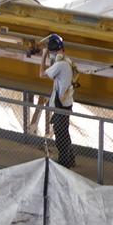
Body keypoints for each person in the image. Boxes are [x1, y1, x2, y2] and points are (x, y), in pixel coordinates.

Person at [41, 33, 77, 167]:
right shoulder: (67, 61)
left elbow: (41, 74)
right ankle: (71, 158)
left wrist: (43, 56)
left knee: (60, 135)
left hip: (60, 105)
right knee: (65, 132)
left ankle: (64, 162)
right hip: (66, 103)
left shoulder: (60, 64)